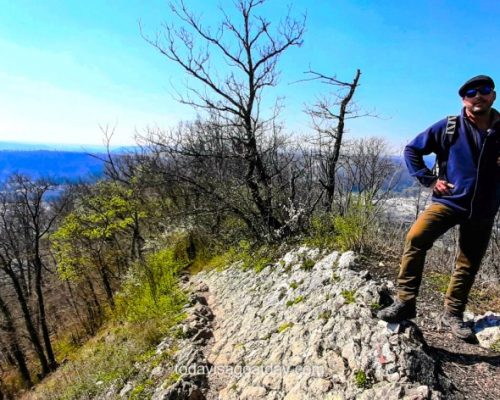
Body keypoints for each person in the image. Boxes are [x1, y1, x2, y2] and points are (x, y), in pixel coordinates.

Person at [378, 75, 500, 342]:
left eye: (484, 90)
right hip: (449, 201)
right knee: (416, 238)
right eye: (470, 92)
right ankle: (406, 302)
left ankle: (453, 313)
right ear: (464, 99)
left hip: (483, 209)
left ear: (493, 95)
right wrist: (429, 180)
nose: (477, 95)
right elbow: (412, 150)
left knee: (468, 262)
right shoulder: (450, 126)